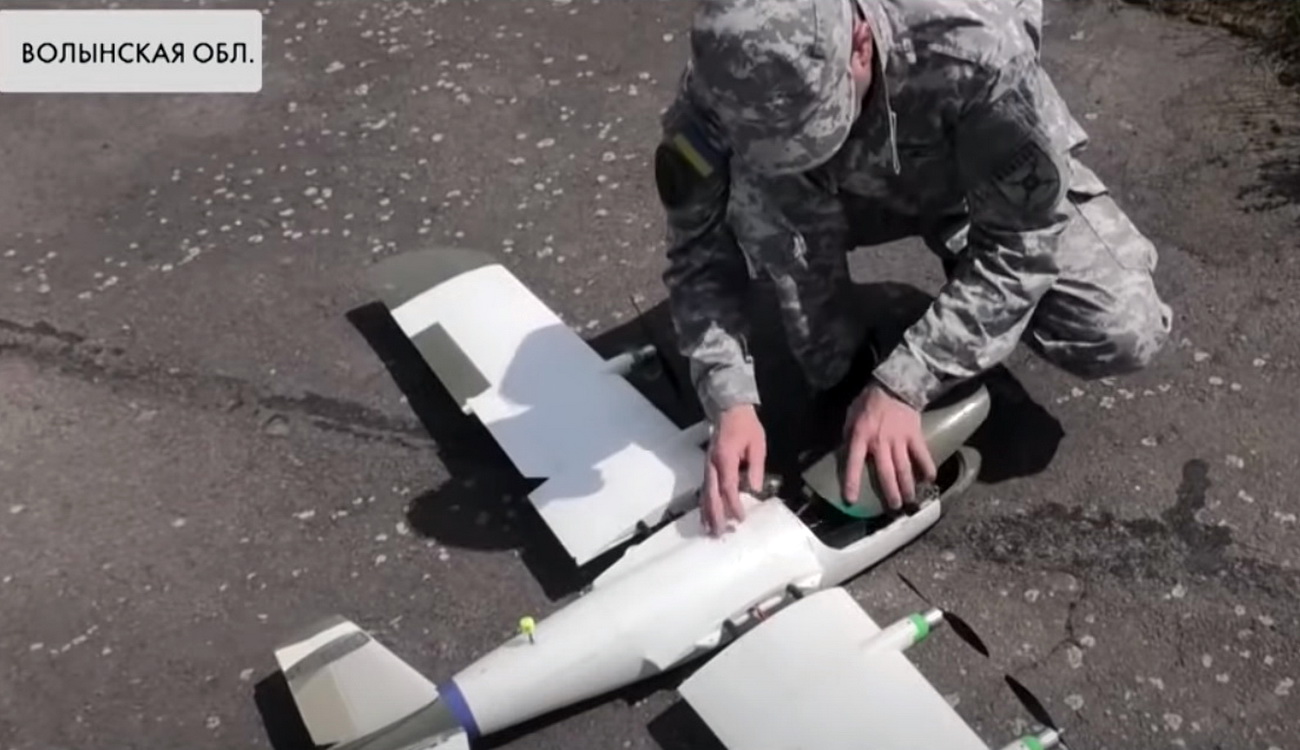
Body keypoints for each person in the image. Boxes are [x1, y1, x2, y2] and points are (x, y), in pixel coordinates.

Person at [653, 0, 1173, 534]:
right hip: (839, 199)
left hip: (973, 187)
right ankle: (838, 364)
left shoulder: (977, 47)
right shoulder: (726, 74)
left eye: (813, 130)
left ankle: (959, 299)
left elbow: (1024, 240)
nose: (803, 152)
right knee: (755, 193)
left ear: (860, 44)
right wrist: (728, 398)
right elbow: (696, 246)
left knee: (1119, 329)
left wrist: (905, 383)